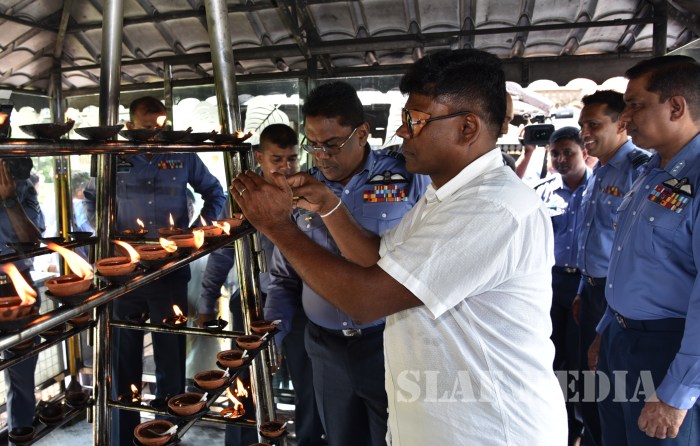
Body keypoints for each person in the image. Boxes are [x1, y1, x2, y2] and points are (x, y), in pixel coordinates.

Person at [232, 49, 567, 444]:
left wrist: (277, 227)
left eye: (415, 121)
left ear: (467, 128)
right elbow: (379, 259)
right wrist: (329, 205)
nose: (403, 132)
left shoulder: (491, 208)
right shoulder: (446, 197)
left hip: (487, 431)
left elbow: (365, 299)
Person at [263, 81, 429, 446]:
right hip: (325, 350)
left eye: (333, 143)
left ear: (363, 132)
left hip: (390, 344)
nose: (321, 155)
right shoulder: (298, 192)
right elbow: (283, 277)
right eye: (313, 143)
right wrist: (272, 332)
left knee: (396, 437)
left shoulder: (407, 178)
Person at [84, 96, 226, 445]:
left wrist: (192, 233)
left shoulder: (181, 153)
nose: (154, 134)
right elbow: (90, 199)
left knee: (170, 356)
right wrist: (103, 239)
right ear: (131, 126)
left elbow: (215, 192)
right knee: (123, 357)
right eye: (147, 128)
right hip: (124, 271)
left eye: (160, 127)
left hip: (169, 270)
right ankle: (124, 436)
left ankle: (168, 433)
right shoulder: (113, 156)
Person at [588, 55, 700, 444]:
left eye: (635, 104)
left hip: (668, 350)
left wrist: (676, 396)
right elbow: (630, 260)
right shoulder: (652, 172)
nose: (625, 117)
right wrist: (606, 329)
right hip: (622, 340)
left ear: (675, 106)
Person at [197, 123, 325, 445]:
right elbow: (223, 252)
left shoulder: (310, 191)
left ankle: (307, 439)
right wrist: (207, 301)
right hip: (252, 301)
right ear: (258, 157)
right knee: (246, 378)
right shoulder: (243, 196)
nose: (285, 167)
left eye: (292, 159)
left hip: (302, 301)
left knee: (308, 382)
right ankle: (239, 440)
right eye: (277, 159)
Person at [573, 90, 650, 446]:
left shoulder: (639, 169)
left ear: (621, 123)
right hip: (592, 292)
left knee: (618, 389)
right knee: (591, 384)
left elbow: (632, 249)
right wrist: (579, 291)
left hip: (616, 298)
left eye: (593, 124)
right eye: (581, 125)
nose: (584, 133)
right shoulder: (599, 171)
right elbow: (591, 238)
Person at [534, 126, 590, 445]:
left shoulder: (600, 190)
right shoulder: (542, 191)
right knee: (550, 356)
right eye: (555, 153)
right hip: (550, 284)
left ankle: (581, 426)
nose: (560, 159)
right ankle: (560, 423)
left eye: (568, 152)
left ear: (584, 152)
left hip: (585, 284)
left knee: (579, 357)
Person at [0, 158, 45, 445]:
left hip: (17, 287)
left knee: (21, 368)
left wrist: (10, 200)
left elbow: (33, 239)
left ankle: (20, 430)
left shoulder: (22, 188)